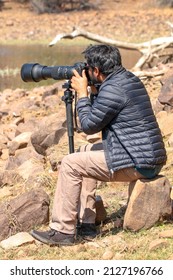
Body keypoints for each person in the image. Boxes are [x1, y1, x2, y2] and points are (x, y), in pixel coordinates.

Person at [31, 44, 167, 246]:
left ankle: (62, 231)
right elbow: (100, 115)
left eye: (88, 67)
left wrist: (83, 95)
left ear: (96, 71)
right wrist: (94, 89)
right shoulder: (126, 79)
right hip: (145, 155)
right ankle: (86, 224)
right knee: (84, 151)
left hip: (139, 162)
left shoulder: (113, 89)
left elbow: (88, 125)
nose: (85, 70)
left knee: (70, 163)